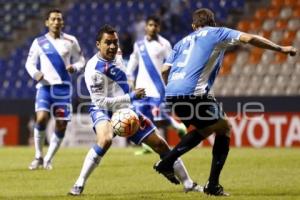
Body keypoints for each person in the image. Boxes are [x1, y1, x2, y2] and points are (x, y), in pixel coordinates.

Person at [154, 8, 297, 196]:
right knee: (225, 128)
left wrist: (174, 90)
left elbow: (164, 70)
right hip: (193, 93)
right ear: (212, 23)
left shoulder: (181, 42)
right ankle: (210, 184)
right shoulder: (218, 32)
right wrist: (280, 48)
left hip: (172, 92)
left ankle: (167, 162)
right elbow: (249, 38)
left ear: (193, 26)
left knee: (207, 129)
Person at [68, 25, 202, 196]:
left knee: (160, 144)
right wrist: (131, 96)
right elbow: (100, 101)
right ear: (98, 44)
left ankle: (188, 183)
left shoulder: (118, 53)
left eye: (114, 42)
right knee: (106, 139)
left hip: (125, 110)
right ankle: (79, 184)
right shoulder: (93, 69)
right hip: (103, 109)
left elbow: (123, 75)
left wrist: (130, 89)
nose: (112, 46)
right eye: (107, 43)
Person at [25, 9, 85, 170]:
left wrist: (75, 67)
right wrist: (36, 73)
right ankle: (38, 156)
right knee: (41, 118)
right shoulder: (39, 42)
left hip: (63, 90)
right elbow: (29, 63)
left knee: (61, 124)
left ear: (62, 22)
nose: (56, 22)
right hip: (44, 87)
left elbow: (81, 60)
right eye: (53, 19)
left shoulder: (71, 40)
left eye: (59, 19)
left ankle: (48, 159)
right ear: (47, 22)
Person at [127, 15, 187, 155]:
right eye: (150, 25)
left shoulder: (164, 44)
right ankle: (148, 146)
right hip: (141, 89)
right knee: (141, 117)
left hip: (158, 88)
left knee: (159, 118)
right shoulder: (138, 44)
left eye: (155, 25)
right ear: (146, 27)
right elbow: (132, 62)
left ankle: (178, 127)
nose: (153, 28)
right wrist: (130, 78)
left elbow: (172, 64)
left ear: (159, 27)